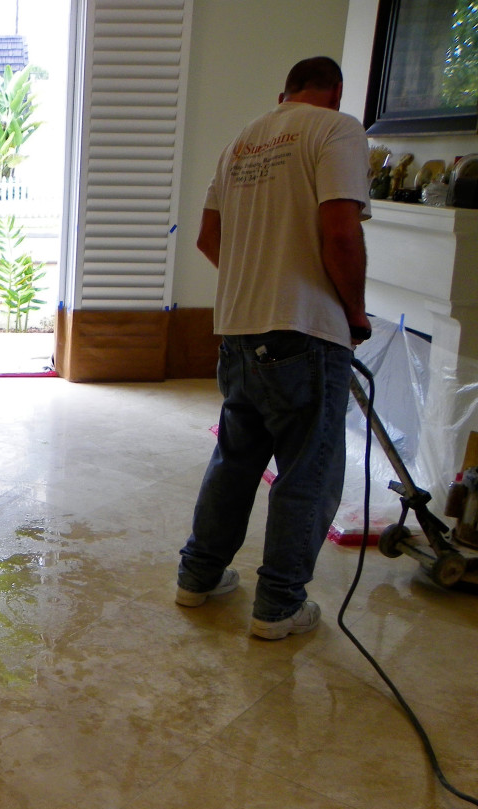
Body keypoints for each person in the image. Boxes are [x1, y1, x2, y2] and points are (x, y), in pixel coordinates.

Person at [176, 56, 372, 640]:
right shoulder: (338, 129)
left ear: (283, 92)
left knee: (235, 460)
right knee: (307, 470)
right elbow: (340, 230)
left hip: (238, 332)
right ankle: (279, 605)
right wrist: (355, 314)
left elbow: (209, 239)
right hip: (306, 333)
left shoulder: (242, 141)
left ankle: (198, 577)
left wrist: (256, 282)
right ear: (334, 92)